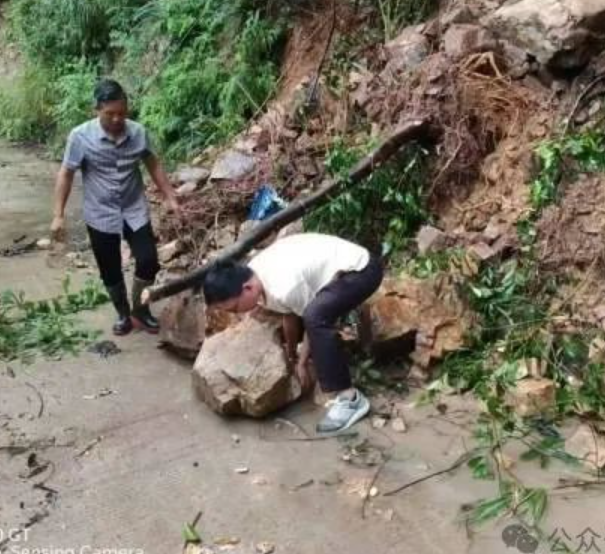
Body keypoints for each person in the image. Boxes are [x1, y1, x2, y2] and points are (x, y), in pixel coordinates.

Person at [202, 232, 383, 434]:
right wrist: (292, 356)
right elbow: (288, 314)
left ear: (247, 288)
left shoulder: (283, 286)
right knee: (316, 313)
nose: (237, 313)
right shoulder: (255, 274)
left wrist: (303, 361)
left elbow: (312, 321)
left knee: (316, 316)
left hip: (363, 270)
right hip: (339, 273)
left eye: (235, 308)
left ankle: (350, 398)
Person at [51, 79, 180, 335]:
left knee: (148, 261)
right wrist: (58, 215)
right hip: (100, 211)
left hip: (134, 208)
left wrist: (170, 196)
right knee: (110, 269)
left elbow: (152, 164)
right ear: (96, 110)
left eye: (122, 112)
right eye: (110, 114)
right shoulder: (80, 137)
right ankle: (123, 314)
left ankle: (140, 310)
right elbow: (66, 173)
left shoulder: (138, 133)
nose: (117, 119)